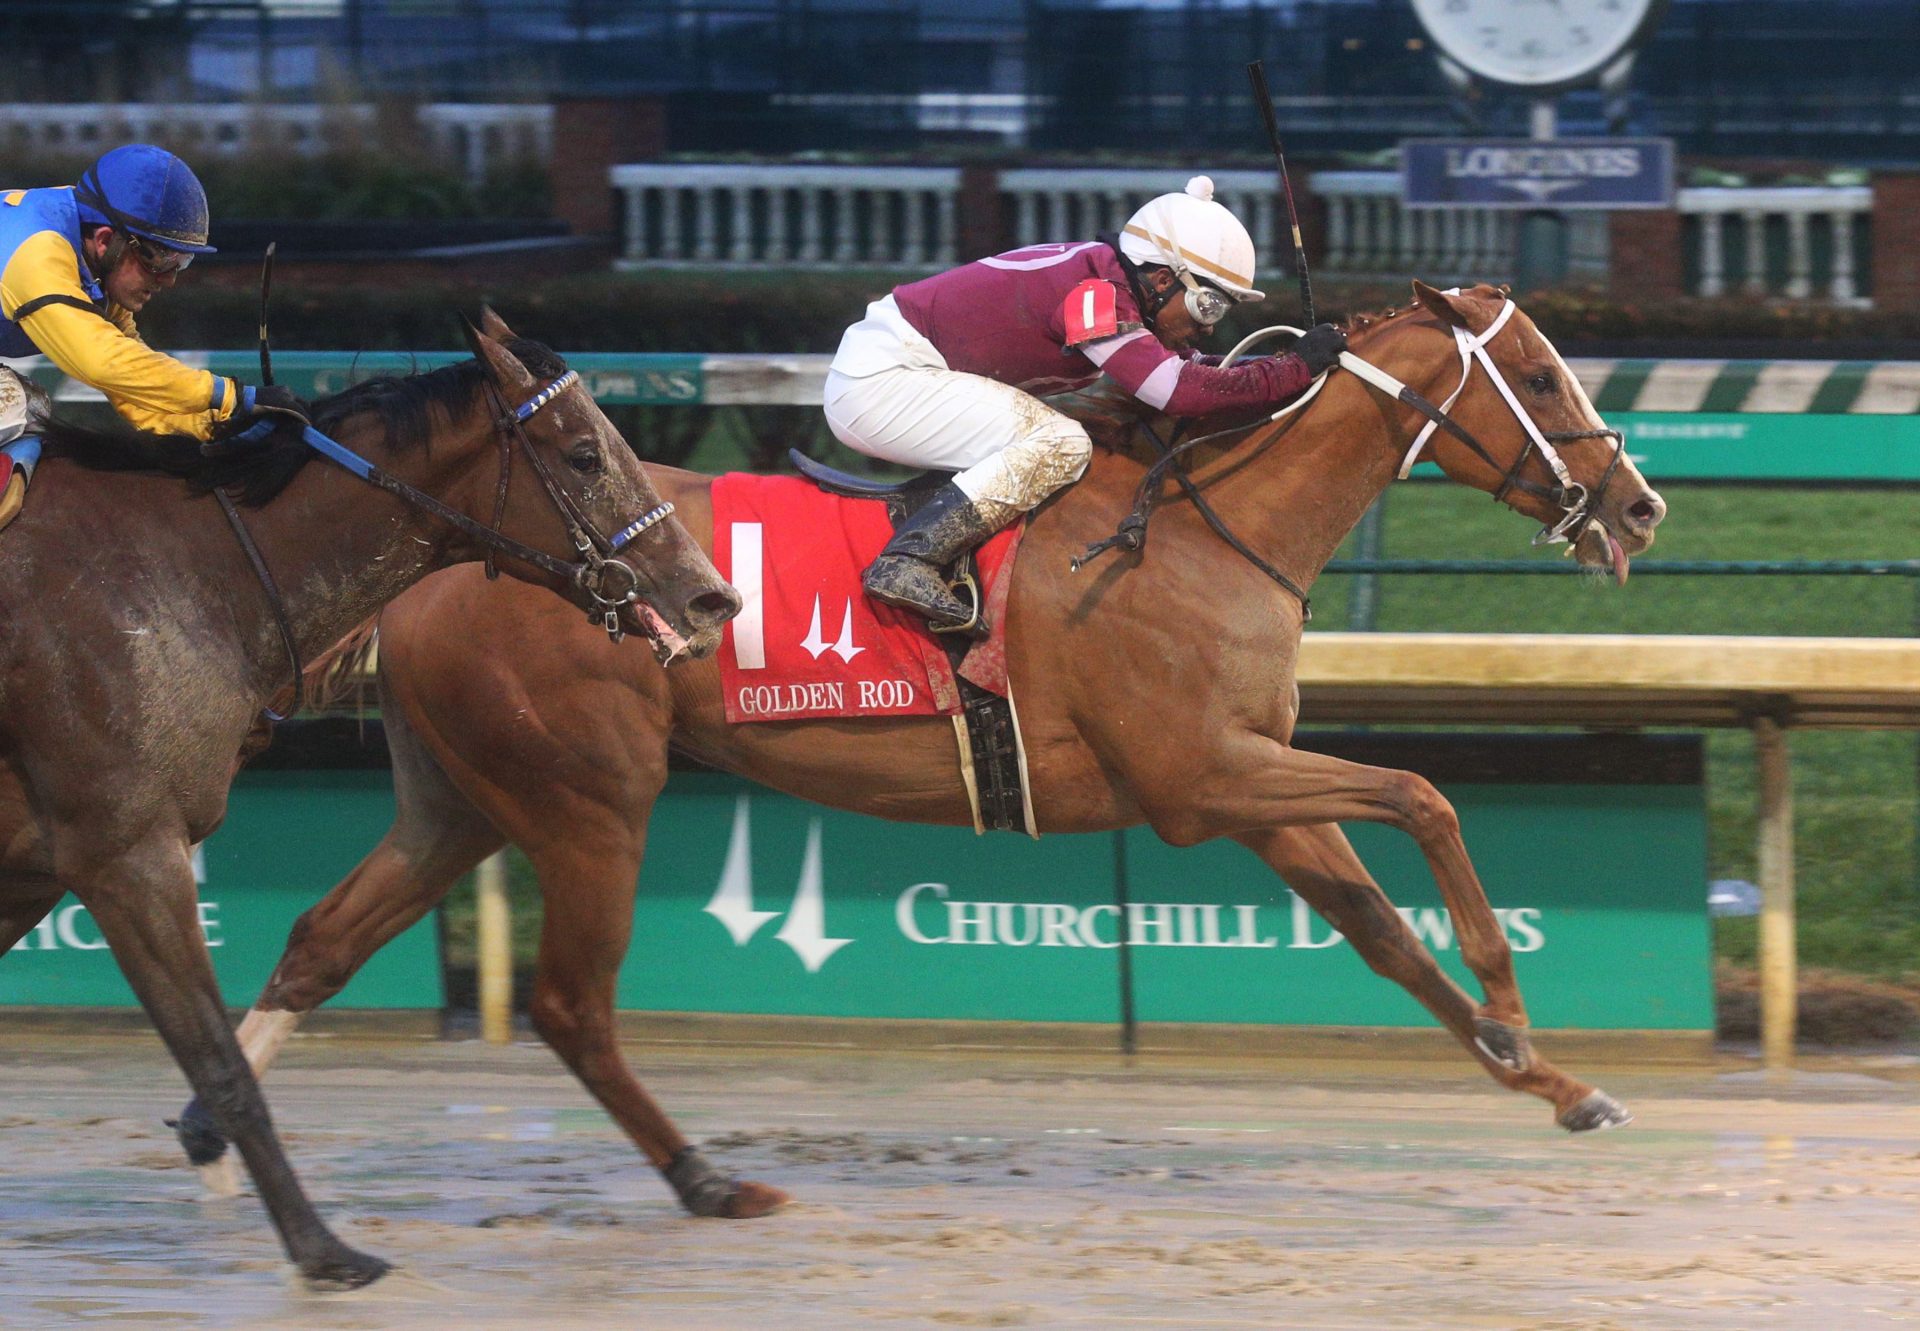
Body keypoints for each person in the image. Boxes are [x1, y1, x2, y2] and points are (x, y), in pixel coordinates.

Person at [823, 174, 1347, 630]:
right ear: (1162, 278)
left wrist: (1279, 371)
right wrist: (1292, 369)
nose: (1208, 325)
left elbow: (1191, 373)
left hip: (905, 371)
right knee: (1060, 442)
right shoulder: (1095, 293)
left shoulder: (1108, 280)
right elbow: (1179, 393)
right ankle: (908, 560)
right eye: (1206, 303)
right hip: (885, 380)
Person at [0, 143, 309, 511]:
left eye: (181, 262)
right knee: (19, 407)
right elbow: (103, 363)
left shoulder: (94, 261)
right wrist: (234, 398)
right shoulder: (38, 254)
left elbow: (134, 390)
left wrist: (218, 427)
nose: (169, 280)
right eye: (161, 259)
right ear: (104, 240)